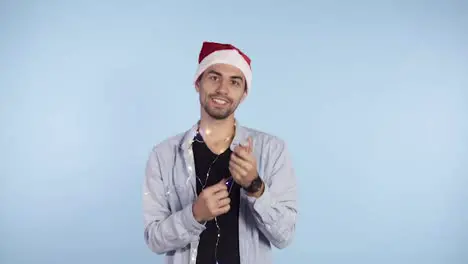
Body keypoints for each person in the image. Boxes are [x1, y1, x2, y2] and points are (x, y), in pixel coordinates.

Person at [142, 41, 297, 264]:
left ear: (244, 93)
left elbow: (285, 236)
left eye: (234, 82)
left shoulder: (272, 150)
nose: (223, 89)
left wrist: (255, 187)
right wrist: (194, 215)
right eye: (214, 77)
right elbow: (154, 240)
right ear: (198, 83)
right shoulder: (163, 156)